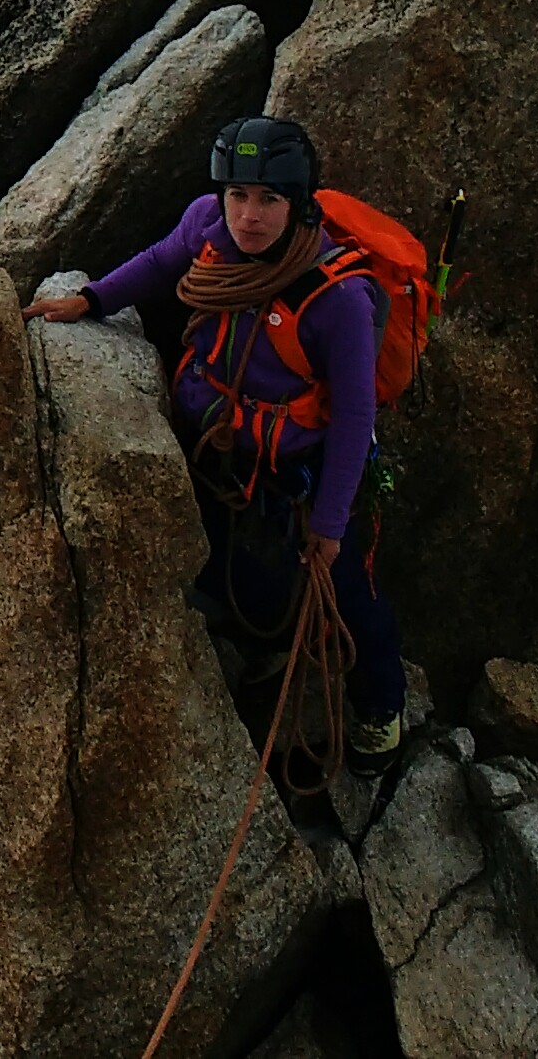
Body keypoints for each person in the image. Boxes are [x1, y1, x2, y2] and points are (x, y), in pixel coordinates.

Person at [26, 114, 408, 759]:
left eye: (269, 199)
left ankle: (381, 708)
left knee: (348, 594)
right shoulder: (207, 223)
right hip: (226, 454)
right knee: (246, 573)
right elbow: (159, 263)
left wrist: (332, 523)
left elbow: (353, 416)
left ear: (298, 203)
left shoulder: (339, 298)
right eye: (239, 194)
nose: (249, 215)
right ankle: (263, 644)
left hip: (302, 475)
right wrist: (91, 300)